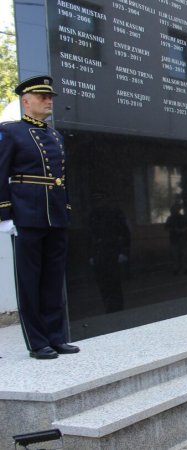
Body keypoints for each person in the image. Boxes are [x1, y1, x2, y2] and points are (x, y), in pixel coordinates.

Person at [0, 75, 79, 359]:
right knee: (30, 280)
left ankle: (57, 337)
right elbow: (1, 173)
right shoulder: (11, 132)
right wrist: (5, 215)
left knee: (53, 279)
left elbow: (63, 178)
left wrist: (66, 209)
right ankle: (38, 341)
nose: (48, 101)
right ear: (26, 100)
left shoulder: (55, 136)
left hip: (55, 215)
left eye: (50, 97)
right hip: (27, 215)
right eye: (42, 97)